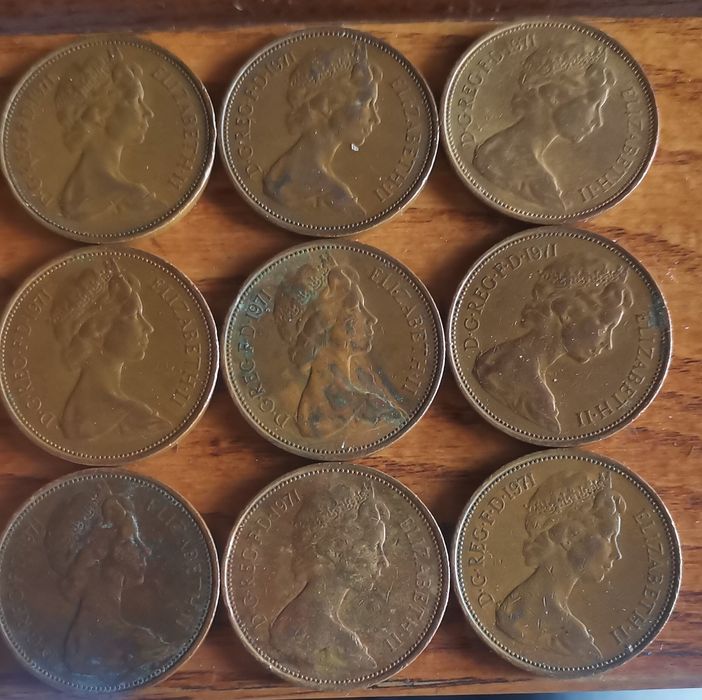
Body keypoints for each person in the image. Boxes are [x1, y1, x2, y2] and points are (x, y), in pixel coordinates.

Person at [473, 254, 633, 432]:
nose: (608, 344)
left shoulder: (494, 360)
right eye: (606, 326)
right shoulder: (536, 400)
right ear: (568, 312)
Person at [274, 254, 407, 439]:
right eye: (356, 309)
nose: (371, 319)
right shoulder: (324, 418)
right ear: (329, 322)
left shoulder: (366, 398)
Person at [495, 470, 625, 659]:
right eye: (608, 537)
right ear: (569, 536)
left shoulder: (566, 627)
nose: (617, 554)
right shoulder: (530, 621)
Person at [44, 488, 171, 676]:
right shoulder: (135, 645)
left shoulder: (137, 641)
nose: (146, 551)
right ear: (103, 552)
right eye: (131, 542)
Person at [473, 42, 615, 209]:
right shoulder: (501, 163)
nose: (598, 121)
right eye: (594, 103)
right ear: (554, 95)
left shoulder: (526, 169)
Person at [270, 481, 390, 672]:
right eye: (374, 547)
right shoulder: (342, 644)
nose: (384, 561)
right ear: (337, 548)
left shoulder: (290, 620)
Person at [50, 258, 170, 441]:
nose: (148, 328)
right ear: (98, 331)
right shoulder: (135, 419)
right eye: (133, 316)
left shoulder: (75, 413)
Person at [263, 43, 382, 217]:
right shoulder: (335, 196)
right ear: (328, 105)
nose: (375, 119)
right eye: (366, 104)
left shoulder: (278, 175)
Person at [54, 47, 160, 221]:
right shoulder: (131, 199)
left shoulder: (73, 195)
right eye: (136, 101)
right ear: (101, 113)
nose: (149, 112)